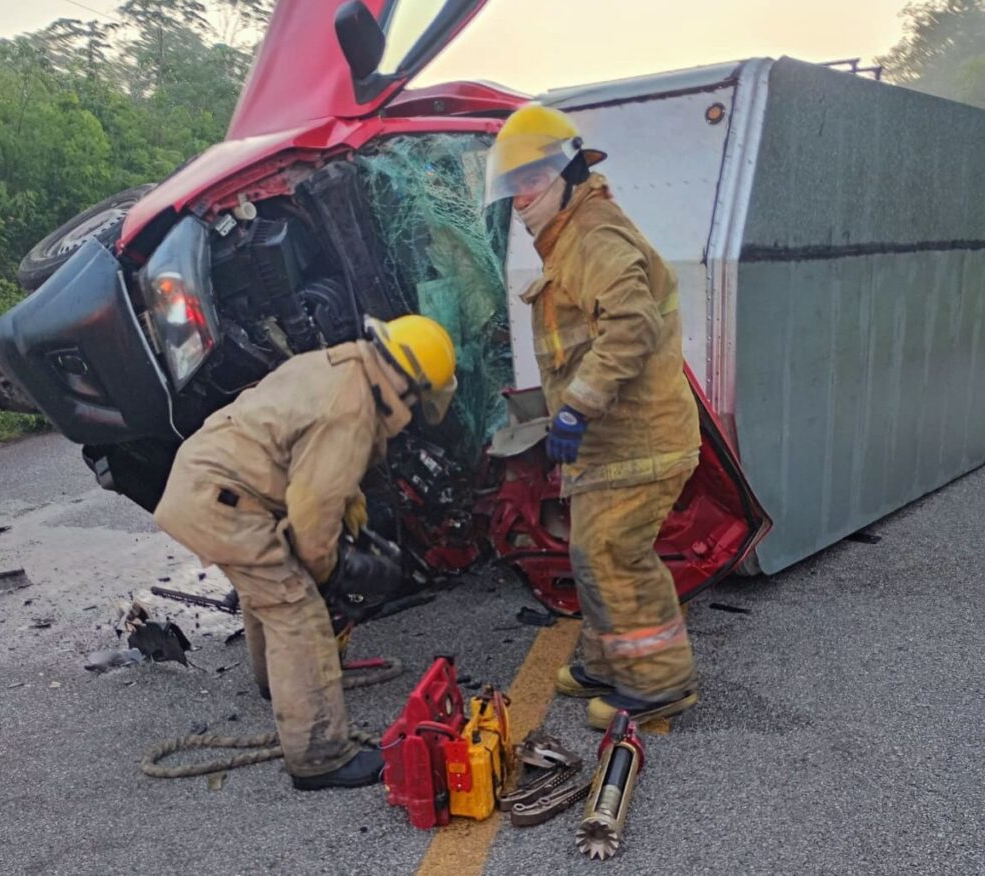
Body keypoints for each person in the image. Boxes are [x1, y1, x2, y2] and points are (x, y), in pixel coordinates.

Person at [153, 315, 457, 788]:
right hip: (225, 501)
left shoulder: (341, 365)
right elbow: (312, 514)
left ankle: (276, 685)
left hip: (203, 483)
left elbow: (320, 467)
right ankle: (320, 756)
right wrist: (334, 573)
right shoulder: (352, 408)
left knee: (268, 592)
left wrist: (351, 526)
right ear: (411, 387)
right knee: (297, 609)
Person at [484, 104, 702, 729]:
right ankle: (611, 664)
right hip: (612, 444)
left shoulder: (594, 236)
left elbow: (631, 324)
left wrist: (577, 408)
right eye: (513, 186)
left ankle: (660, 684)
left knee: (615, 553)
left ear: (569, 171)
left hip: (640, 440)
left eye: (530, 181)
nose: (520, 199)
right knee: (591, 554)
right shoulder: (570, 238)